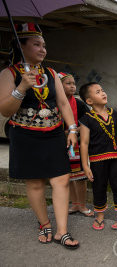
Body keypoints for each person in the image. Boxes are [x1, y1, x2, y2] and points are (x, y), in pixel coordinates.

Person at [0, 23, 79, 249]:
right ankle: (44, 224)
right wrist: (22, 86)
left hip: (53, 134)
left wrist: (72, 129)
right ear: (21, 46)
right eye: (36, 44)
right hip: (25, 136)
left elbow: (63, 103)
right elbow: (6, 110)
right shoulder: (9, 74)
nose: (43, 49)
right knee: (35, 183)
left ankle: (62, 231)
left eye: (44, 45)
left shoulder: (51, 73)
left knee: (61, 180)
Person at [79, 82, 117, 230]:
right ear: (89, 101)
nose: (103, 93)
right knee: (99, 187)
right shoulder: (86, 119)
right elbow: (84, 143)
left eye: (102, 90)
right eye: (97, 92)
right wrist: (85, 165)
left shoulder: (114, 114)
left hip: (115, 158)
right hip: (97, 160)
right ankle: (100, 216)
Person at [58, 72, 93, 217]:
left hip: (77, 145)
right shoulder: (53, 103)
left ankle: (83, 205)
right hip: (59, 144)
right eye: (68, 83)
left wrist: (73, 131)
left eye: (74, 83)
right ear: (59, 86)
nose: (73, 86)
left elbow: (88, 121)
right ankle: (75, 204)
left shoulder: (78, 104)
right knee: (68, 176)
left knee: (80, 176)